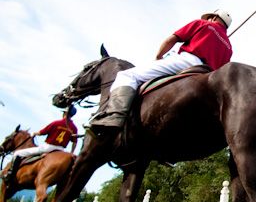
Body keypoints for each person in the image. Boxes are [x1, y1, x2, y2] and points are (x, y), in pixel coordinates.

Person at [90, 10, 234, 135]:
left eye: (210, 17)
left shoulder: (203, 24)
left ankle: (113, 116)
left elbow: (173, 39)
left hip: (186, 62)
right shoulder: (229, 47)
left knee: (127, 75)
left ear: (214, 18)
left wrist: (159, 57)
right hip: (208, 75)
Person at [4, 105, 79, 183]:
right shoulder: (74, 128)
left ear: (65, 113)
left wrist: (34, 133)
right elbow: (74, 142)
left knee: (18, 153)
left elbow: (42, 132)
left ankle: (10, 174)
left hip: (48, 147)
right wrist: (71, 152)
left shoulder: (56, 123)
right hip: (61, 150)